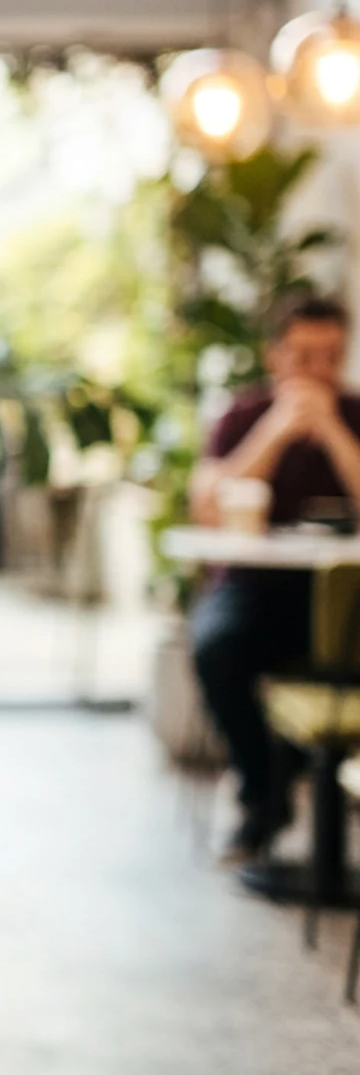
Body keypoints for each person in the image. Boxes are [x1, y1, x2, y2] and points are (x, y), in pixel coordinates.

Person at [189, 295, 360, 859]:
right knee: (215, 648)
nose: (317, 371)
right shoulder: (242, 416)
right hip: (256, 590)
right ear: (276, 356)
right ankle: (265, 794)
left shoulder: (355, 414)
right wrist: (277, 431)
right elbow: (208, 507)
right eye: (305, 356)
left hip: (346, 599)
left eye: (331, 357)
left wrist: (333, 432)